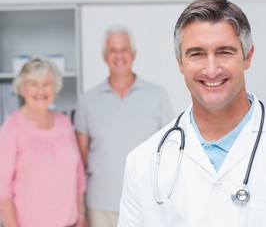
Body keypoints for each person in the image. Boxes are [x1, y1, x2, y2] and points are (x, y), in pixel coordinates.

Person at [117, 0, 266, 227]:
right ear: (180, 62)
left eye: (224, 52)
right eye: (196, 53)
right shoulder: (143, 163)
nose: (211, 69)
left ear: (247, 57)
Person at [74, 25, 173, 227]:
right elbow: (81, 162)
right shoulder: (87, 101)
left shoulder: (157, 96)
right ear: (104, 56)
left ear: (133, 53)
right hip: (99, 206)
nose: (119, 55)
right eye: (113, 50)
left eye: (124, 49)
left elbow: (169, 153)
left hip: (145, 201)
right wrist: (80, 211)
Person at [0, 58, 86, 227]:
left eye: (47, 83)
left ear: (55, 88)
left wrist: (81, 215)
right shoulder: (12, 127)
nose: (41, 90)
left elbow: (79, 176)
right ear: (22, 89)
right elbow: (3, 190)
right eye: (33, 84)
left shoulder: (64, 123)